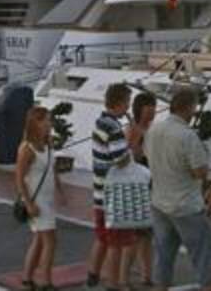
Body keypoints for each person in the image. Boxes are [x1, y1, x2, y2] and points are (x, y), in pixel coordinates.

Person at [145, 86, 211, 291]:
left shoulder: (153, 129)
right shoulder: (187, 136)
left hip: (159, 201)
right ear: (189, 107)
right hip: (186, 204)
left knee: (163, 256)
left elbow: (147, 156)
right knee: (203, 255)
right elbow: (200, 172)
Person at [87, 83, 134, 291]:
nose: (129, 107)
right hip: (113, 193)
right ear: (120, 102)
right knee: (116, 243)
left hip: (99, 192)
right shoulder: (114, 127)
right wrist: (130, 142)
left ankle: (93, 275)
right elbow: (121, 160)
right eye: (128, 103)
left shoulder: (100, 122)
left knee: (102, 238)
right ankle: (113, 284)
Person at [15, 106, 61, 291]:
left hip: (47, 198)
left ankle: (27, 279)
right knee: (50, 240)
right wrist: (28, 203)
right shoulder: (27, 148)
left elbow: (52, 168)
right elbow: (18, 178)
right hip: (37, 200)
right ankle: (46, 282)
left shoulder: (48, 143)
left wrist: (61, 190)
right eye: (46, 120)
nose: (49, 123)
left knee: (40, 240)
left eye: (49, 120)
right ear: (35, 123)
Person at [121, 91, 157, 289]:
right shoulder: (132, 129)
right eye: (148, 109)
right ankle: (124, 279)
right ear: (139, 109)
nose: (152, 113)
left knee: (146, 235)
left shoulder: (151, 129)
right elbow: (128, 157)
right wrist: (136, 142)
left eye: (153, 108)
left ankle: (146, 275)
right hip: (136, 185)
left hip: (151, 183)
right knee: (134, 236)